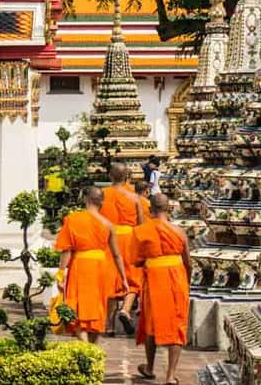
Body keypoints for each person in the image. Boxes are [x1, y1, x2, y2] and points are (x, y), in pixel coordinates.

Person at [54, 187, 129, 344]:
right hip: (101, 268)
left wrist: (61, 273)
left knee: (79, 307)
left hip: (81, 266)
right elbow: (116, 255)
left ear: (86, 199)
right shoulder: (108, 224)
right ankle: (91, 346)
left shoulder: (73, 219)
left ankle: (85, 347)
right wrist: (124, 278)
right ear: (102, 202)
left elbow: (67, 250)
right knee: (97, 307)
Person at [132, 193, 190, 385]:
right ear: (169, 209)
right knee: (177, 324)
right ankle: (170, 376)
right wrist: (186, 283)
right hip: (177, 279)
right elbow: (188, 262)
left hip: (154, 279)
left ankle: (149, 368)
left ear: (150, 210)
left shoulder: (142, 231)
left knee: (151, 324)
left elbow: (137, 261)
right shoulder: (179, 231)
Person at [100, 162, 144, 335]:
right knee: (133, 278)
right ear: (127, 177)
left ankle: (109, 325)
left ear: (110, 176)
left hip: (109, 238)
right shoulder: (134, 197)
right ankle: (125, 309)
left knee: (112, 279)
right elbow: (140, 223)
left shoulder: (103, 195)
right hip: (129, 237)